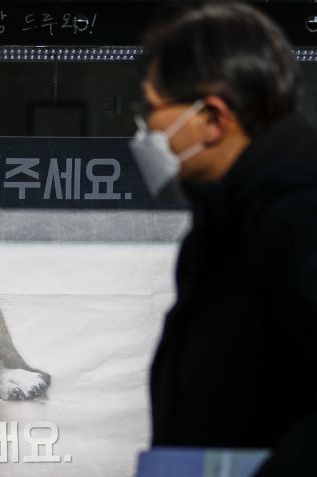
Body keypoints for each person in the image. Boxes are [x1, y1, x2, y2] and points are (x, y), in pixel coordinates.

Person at [128, 2, 317, 475]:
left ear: (212, 118)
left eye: (152, 108)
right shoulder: (222, 227)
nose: (144, 127)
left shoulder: (299, 220)